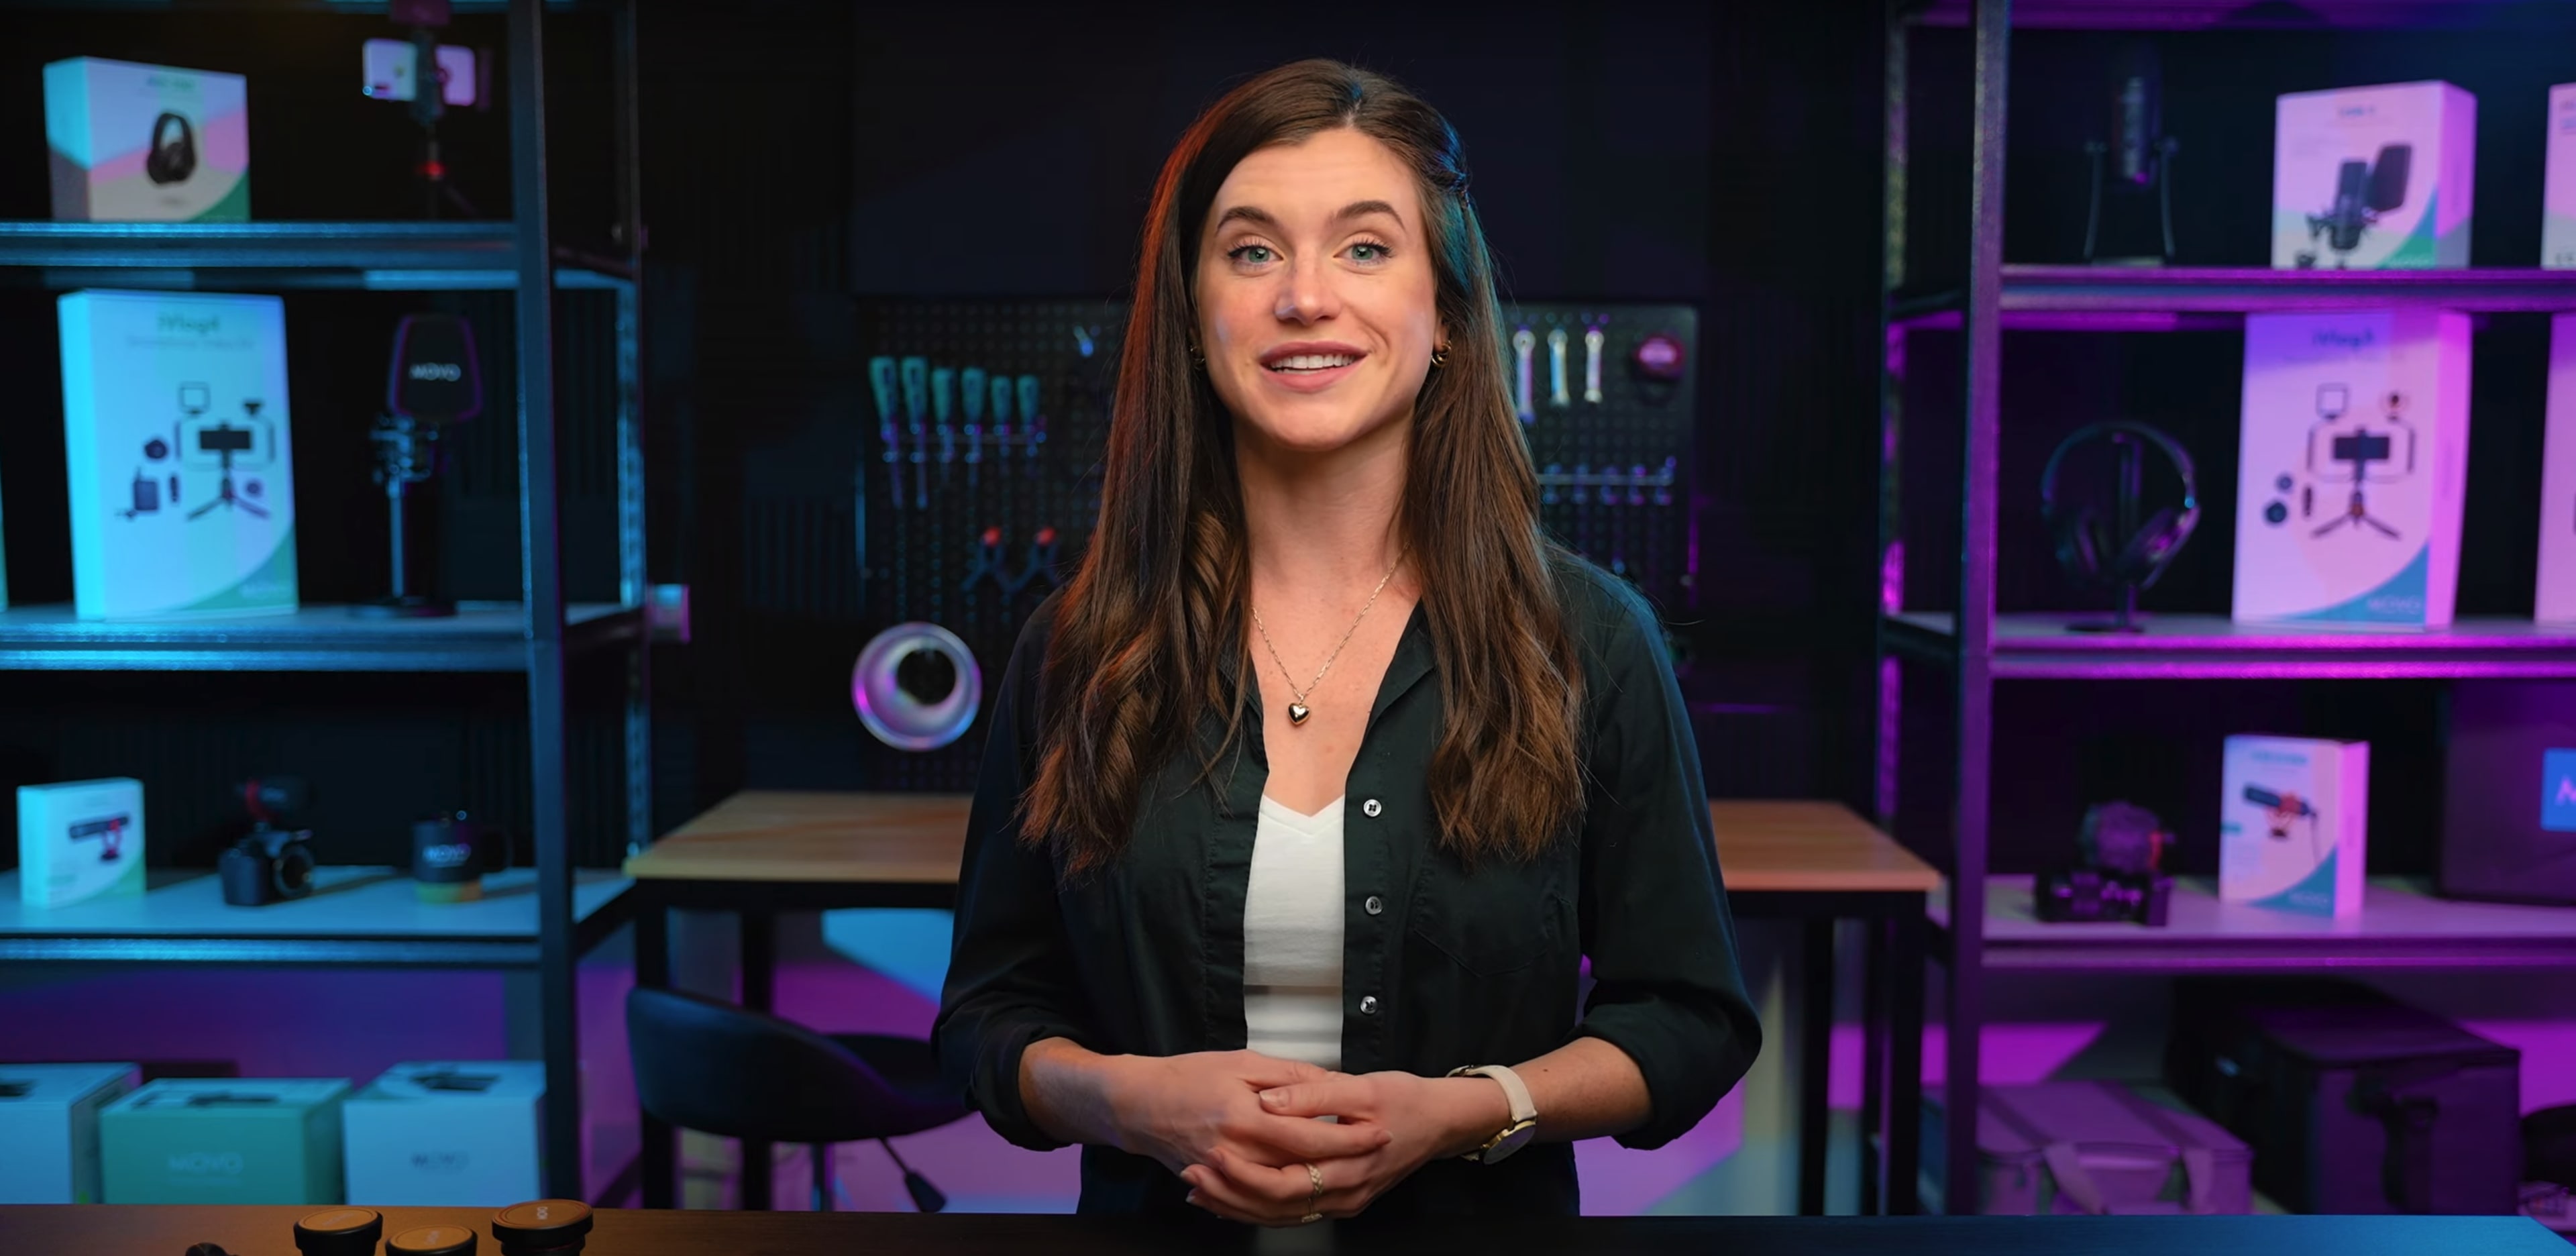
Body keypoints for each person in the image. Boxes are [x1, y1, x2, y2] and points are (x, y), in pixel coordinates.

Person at [934, 57, 1759, 1228]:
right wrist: (1129, 1103)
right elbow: (985, 1017)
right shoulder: (1078, 647)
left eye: (1365, 248)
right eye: (1252, 249)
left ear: (1447, 320)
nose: (1304, 297)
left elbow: (1689, 1022)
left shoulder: (1587, 642)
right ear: (1191, 315)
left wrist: (1469, 1111)